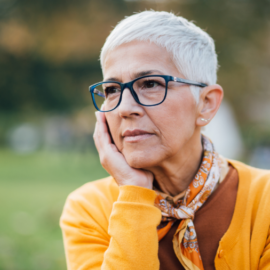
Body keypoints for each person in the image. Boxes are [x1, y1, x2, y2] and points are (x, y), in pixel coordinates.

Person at [60, 11, 270, 270]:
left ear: (206, 104)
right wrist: (134, 193)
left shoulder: (264, 201)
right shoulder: (90, 208)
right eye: (112, 90)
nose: (125, 108)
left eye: (149, 84)